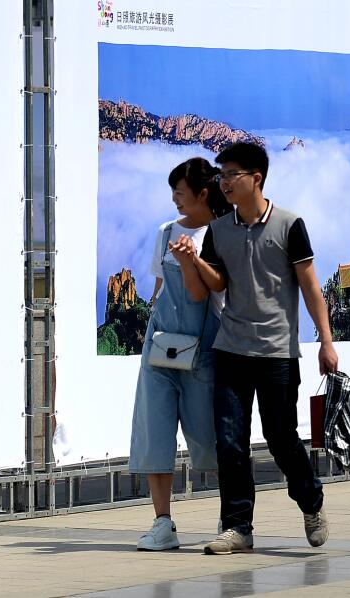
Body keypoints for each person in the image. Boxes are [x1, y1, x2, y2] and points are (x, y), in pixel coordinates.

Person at [178, 141, 338, 555]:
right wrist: (194, 260)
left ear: (256, 178)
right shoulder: (219, 230)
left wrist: (326, 341)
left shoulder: (289, 225)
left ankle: (311, 500)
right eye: (222, 175)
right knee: (230, 441)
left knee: (281, 438)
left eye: (231, 174)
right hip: (231, 348)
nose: (224, 182)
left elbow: (310, 286)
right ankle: (237, 527)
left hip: (277, 352)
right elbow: (218, 283)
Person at [131, 157, 231, 551]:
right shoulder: (164, 233)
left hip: (202, 349)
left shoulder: (219, 235)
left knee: (209, 436)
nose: (175, 199)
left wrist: (191, 260)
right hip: (160, 347)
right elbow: (160, 290)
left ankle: (231, 516)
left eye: (180, 192)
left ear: (203, 194)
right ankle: (162, 523)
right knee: (154, 431)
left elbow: (198, 294)